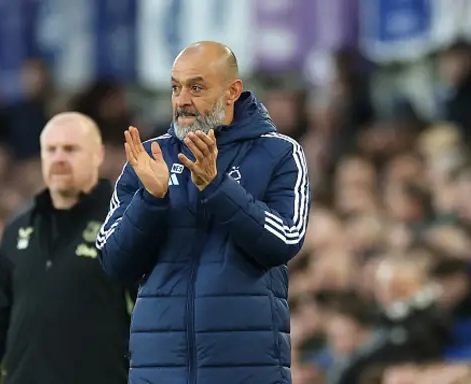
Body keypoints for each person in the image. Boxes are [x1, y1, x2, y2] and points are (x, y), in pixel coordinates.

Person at [96, 41, 311, 384]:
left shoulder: (279, 153)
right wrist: (151, 200)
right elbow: (114, 261)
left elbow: (283, 240)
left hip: (246, 372)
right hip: (160, 372)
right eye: (175, 87)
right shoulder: (149, 158)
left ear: (232, 91)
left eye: (196, 87)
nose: (181, 100)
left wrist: (216, 187)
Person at [0, 112, 134, 384]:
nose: (59, 158)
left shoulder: (123, 222)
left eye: (70, 149)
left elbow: (148, 314)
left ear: (98, 154)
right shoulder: (18, 227)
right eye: (51, 150)